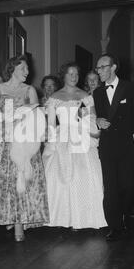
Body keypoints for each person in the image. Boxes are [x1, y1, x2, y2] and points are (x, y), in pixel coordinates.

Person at [0, 55, 49, 242]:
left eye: (27, 69)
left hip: (24, 140)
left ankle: (19, 225)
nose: (27, 72)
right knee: (7, 183)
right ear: (13, 69)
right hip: (3, 139)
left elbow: (37, 117)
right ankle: (9, 217)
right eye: (23, 68)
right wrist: (6, 121)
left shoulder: (30, 90)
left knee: (21, 180)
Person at [42, 62, 107, 230]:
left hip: (81, 137)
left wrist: (84, 120)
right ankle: (61, 217)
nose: (74, 77)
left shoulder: (85, 95)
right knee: (58, 176)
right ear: (63, 76)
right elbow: (50, 124)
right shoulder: (54, 97)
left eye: (76, 74)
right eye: (70, 74)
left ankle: (84, 218)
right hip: (61, 137)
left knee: (85, 174)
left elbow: (93, 119)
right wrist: (50, 144)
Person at [93, 53, 134, 241]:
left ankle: (124, 214)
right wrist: (98, 121)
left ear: (114, 67)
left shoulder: (132, 89)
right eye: (97, 68)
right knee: (110, 188)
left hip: (127, 145)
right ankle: (114, 225)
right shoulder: (98, 93)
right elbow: (97, 117)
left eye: (102, 67)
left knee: (129, 185)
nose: (99, 71)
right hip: (107, 146)